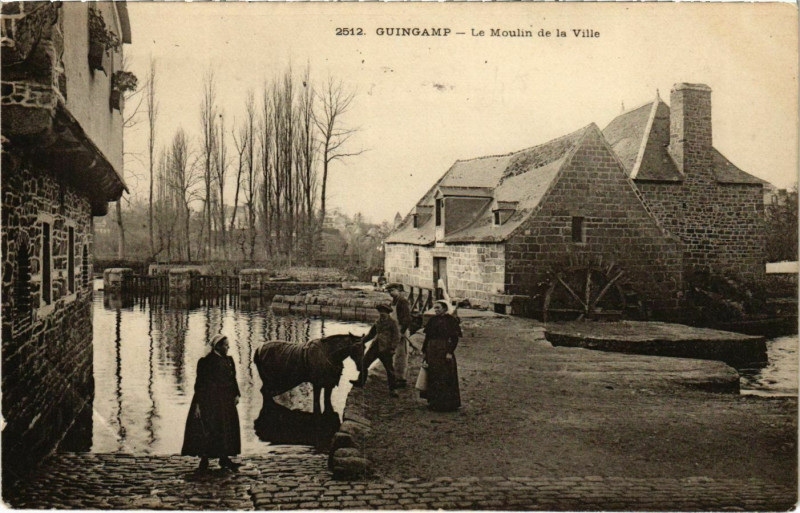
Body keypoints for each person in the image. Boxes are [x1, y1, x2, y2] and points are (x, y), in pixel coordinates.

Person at [182, 334, 242, 472]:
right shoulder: (206, 362)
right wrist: (198, 403)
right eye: (226, 345)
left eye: (228, 345)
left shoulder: (229, 360)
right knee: (210, 429)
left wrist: (236, 394)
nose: (228, 348)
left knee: (227, 429)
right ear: (218, 347)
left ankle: (224, 458)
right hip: (210, 402)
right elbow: (200, 384)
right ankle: (205, 459)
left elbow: (233, 379)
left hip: (227, 401)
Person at [350, 304, 401, 397]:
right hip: (375, 347)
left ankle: (393, 389)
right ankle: (360, 381)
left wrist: (392, 348)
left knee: (389, 369)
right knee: (364, 363)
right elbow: (371, 334)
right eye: (380, 312)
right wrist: (362, 342)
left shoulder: (393, 323)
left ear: (388, 313)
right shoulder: (377, 322)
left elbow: (397, 337)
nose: (382, 314)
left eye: (384, 312)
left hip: (386, 349)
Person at [422, 300, 462, 411]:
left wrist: (449, 352)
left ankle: (447, 403)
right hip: (432, 349)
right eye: (435, 308)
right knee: (433, 375)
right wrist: (425, 352)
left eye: (438, 308)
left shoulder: (451, 321)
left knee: (445, 375)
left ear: (445, 309)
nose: (436, 310)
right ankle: (434, 402)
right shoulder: (432, 320)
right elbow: (427, 337)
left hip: (443, 349)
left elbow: (454, 338)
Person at [387, 283, 412, 388]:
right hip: (394, 332)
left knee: (401, 355)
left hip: (401, 331)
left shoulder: (403, 302)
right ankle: (396, 377)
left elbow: (407, 319)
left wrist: (402, 332)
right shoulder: (393, 302)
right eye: (389, 291)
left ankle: (401, 379)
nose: (391, 293)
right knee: (394, 355)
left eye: (392, 290)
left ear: (399, 290)